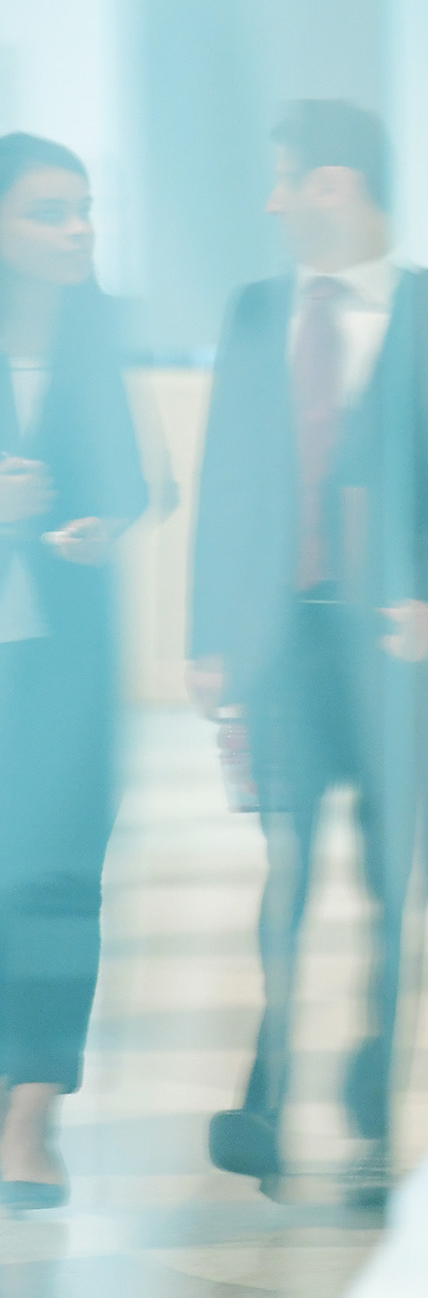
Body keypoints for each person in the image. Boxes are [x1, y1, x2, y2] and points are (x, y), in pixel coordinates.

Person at [187, 100, 428, 1205]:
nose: (274, 202)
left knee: (394, 888)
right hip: (287, 648)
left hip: (405, 655)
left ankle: (372, 1102)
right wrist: (208, 638)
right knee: (285, 872)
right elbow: (225, 480)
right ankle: (269, 1086)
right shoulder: (254, 313)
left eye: (288, 181)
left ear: (336, 184)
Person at [0, 132, 148, 1211]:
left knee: (55, 883)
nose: (78, 229)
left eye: (84, 208)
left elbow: (138, 481)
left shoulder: (100, 335)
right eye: (52, 210)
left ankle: (30, 1113)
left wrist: (106, 522)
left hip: (67, 663)